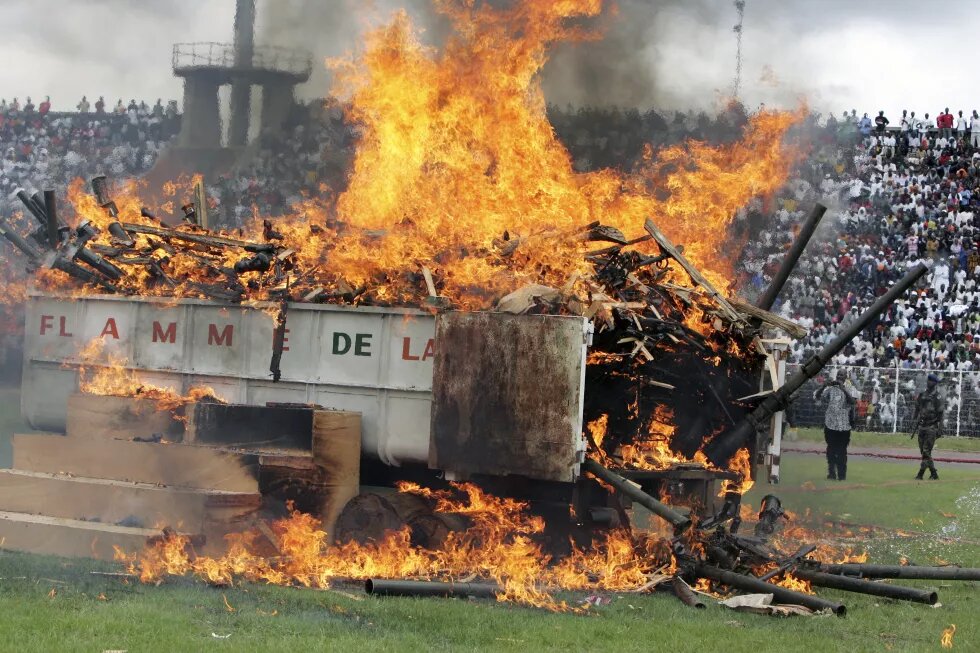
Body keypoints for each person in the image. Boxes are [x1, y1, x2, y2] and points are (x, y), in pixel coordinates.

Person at [814, 369, 857, 480]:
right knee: (831, 450)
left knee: (842, 451)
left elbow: (853, 402)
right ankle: (831, 473)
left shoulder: (851, 388)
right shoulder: (831, 389)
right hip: (830, 424)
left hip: (844, 426)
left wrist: (844, 389)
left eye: (841, 375)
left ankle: (842, 475)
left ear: (846, 377)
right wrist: (824, 386)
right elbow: (818, 397)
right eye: (838, 375)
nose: (839, 377)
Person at [912, 374, 944, 480]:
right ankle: (934, 474)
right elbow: (917, 407)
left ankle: (920, 474)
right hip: (922, 426)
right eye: (929, 381)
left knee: (926, 451)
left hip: (932, 427)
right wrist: (914, 419)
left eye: (932, 381)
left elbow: (941, 414)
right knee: (924, 452)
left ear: (935, 383)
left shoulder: (937, 397)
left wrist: (940, 429)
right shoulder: (922, 395)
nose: (930, 382)